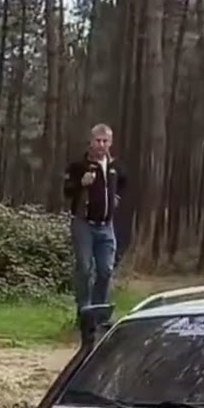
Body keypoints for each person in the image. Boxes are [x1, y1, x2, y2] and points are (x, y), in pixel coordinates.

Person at [64, 123, 127, 318]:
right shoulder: (78, 166)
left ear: (110, 143)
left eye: (105, 141)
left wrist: (117, 198)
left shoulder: (115, 167)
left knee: (105, 270)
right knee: (84, 268)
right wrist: (80, 184)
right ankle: (84, 312)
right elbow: (66, 190)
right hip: (83, 224)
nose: (101, 145)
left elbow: (124, 183)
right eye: (97, 141)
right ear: (90, 142)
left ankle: (100, 314)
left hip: (106, 226)